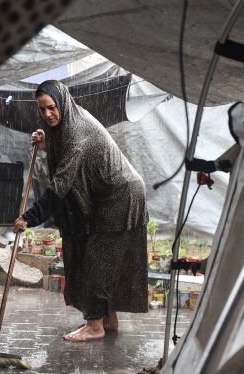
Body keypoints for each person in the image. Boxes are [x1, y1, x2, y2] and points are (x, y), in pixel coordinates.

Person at [14, 80, 148, 341]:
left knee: (96, 259)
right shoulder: (70, 119)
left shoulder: (77, 133)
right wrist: (46, 142)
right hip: (107, 197)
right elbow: (62, 145)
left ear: (62, 102)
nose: (48, 115)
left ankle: (94, 326)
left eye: (52, 108)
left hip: (120, 197)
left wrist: (29, 218)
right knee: (98, 257)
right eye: (42, 110)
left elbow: (60, 187)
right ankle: (108, 320)